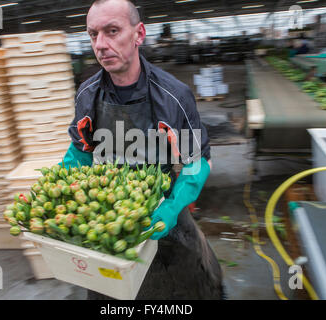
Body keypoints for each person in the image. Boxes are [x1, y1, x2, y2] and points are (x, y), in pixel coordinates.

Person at [61, 0, 224, 300]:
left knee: (182, 289)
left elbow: (198, 162)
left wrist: (173, 208)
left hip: (162, 213)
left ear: (139, 34)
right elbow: (80, 152)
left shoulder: (173, 96)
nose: (100, 44)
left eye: (112, 31)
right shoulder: (88, 95)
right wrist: (59, 186)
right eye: (93, 34)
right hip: (109, 217)